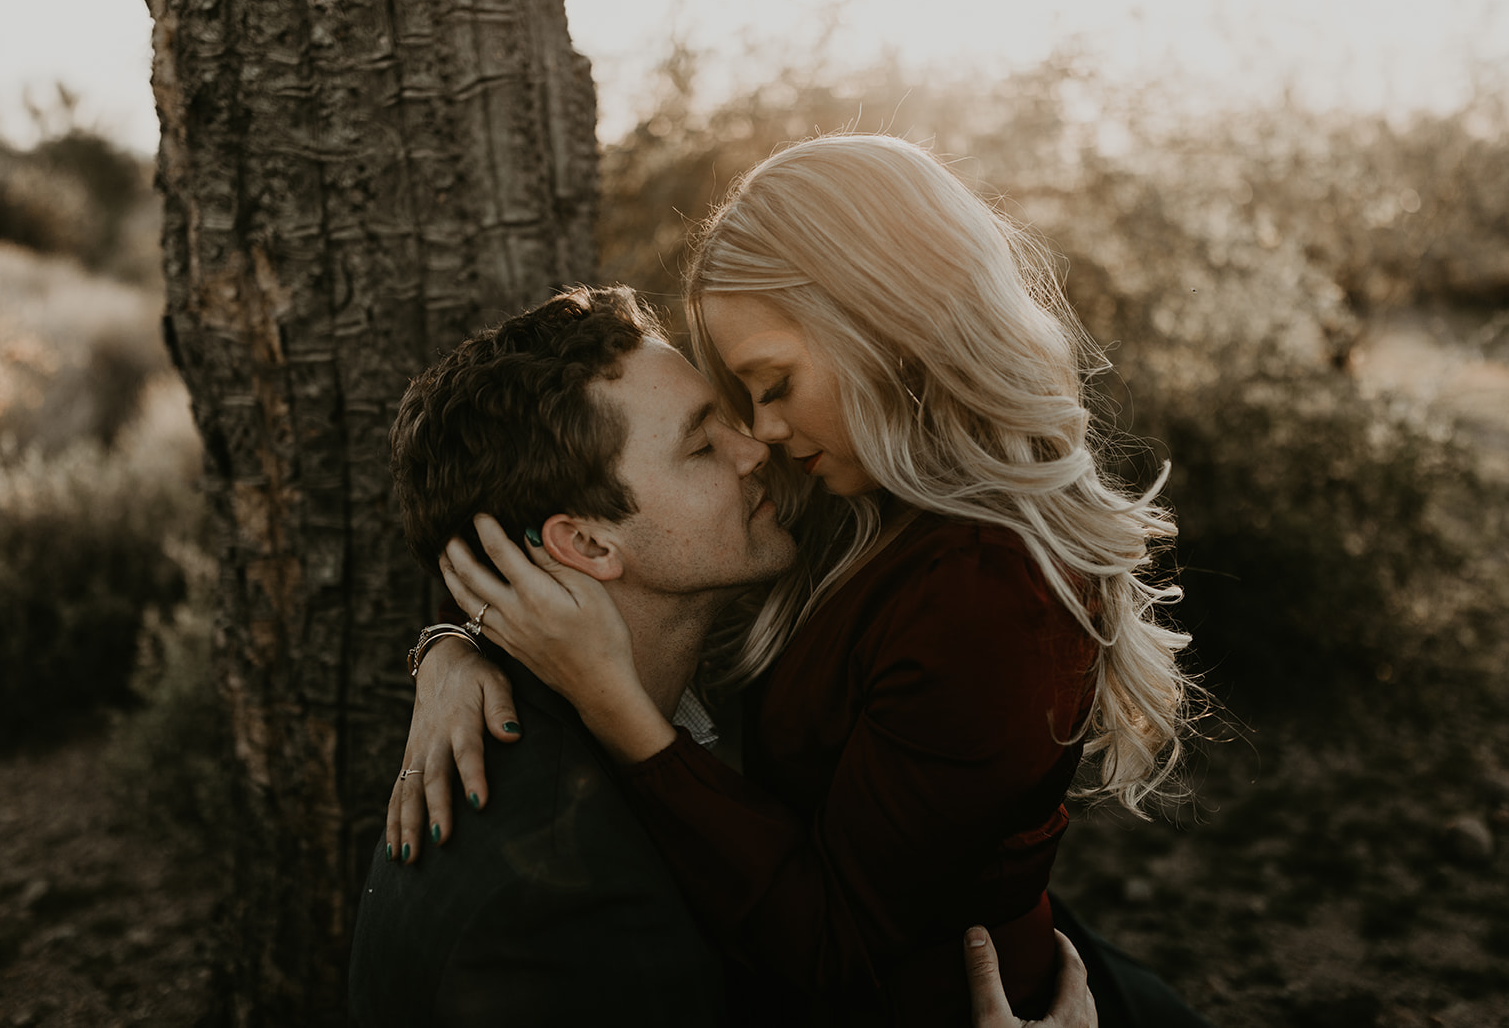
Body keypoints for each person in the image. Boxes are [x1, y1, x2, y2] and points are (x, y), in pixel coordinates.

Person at [394, 135, 1200, 1024]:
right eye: (737, 405)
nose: (760, 434)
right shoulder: (845, 485)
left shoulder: (990, 593)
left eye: (772, 383)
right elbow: (559, 511)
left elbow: (839, 947)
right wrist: (456, 645)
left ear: (884, 327)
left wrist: (614, 706)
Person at [350, 284, 1100, 1028]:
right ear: (584, 544)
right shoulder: (564, 890)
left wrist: (453, 640)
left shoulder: (834, 560)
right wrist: (453, 640)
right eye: (703, 444)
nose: (755, 446)